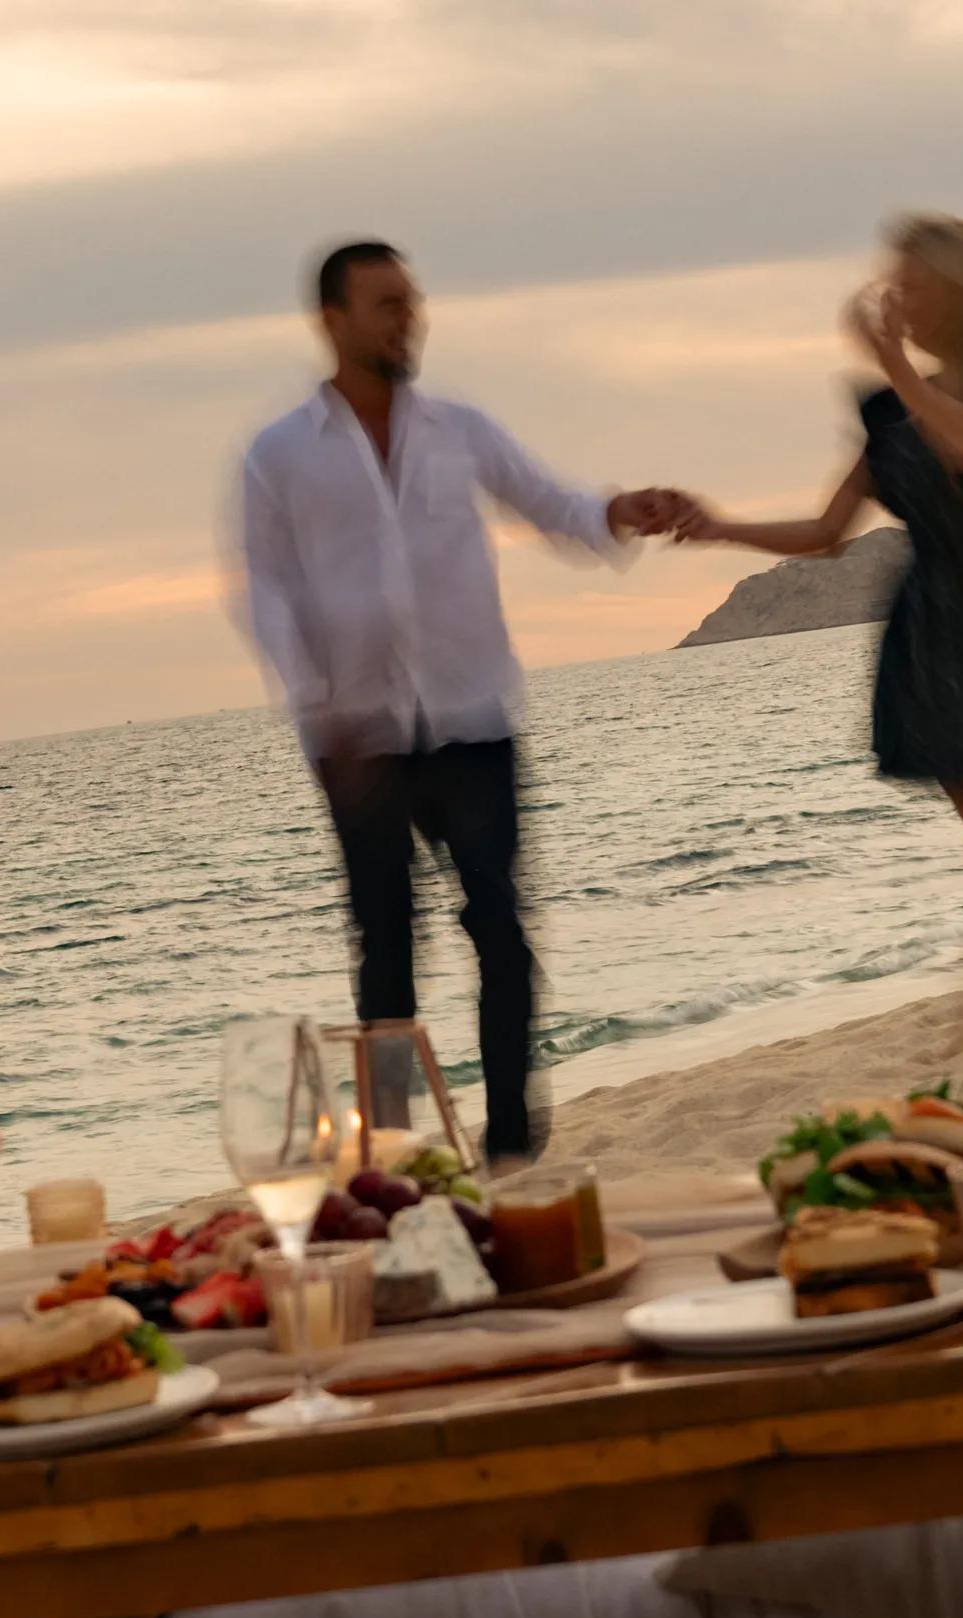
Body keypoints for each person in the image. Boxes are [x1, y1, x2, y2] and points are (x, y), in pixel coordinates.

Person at [239, 241, 677, 1164]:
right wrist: (320, 702)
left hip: (472, 721)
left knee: (501, 931)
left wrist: (619, 509)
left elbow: (550, 502)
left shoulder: (459, 430)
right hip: (358, 737)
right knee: (386, 951)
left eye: (413, 302)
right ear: (334, 322)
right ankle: (394, 1155)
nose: (410, 319)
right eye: (388, 304)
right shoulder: (278, 455)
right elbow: (269, 593)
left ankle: (515, 1141)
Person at [672, 214, 963, 1048]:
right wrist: (721, 526)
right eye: (893, 285)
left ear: (959, 289)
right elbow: (829, 532)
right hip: (935, 637)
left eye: (914, 284)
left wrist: (898, 365)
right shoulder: (883, 409)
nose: (898, 299)